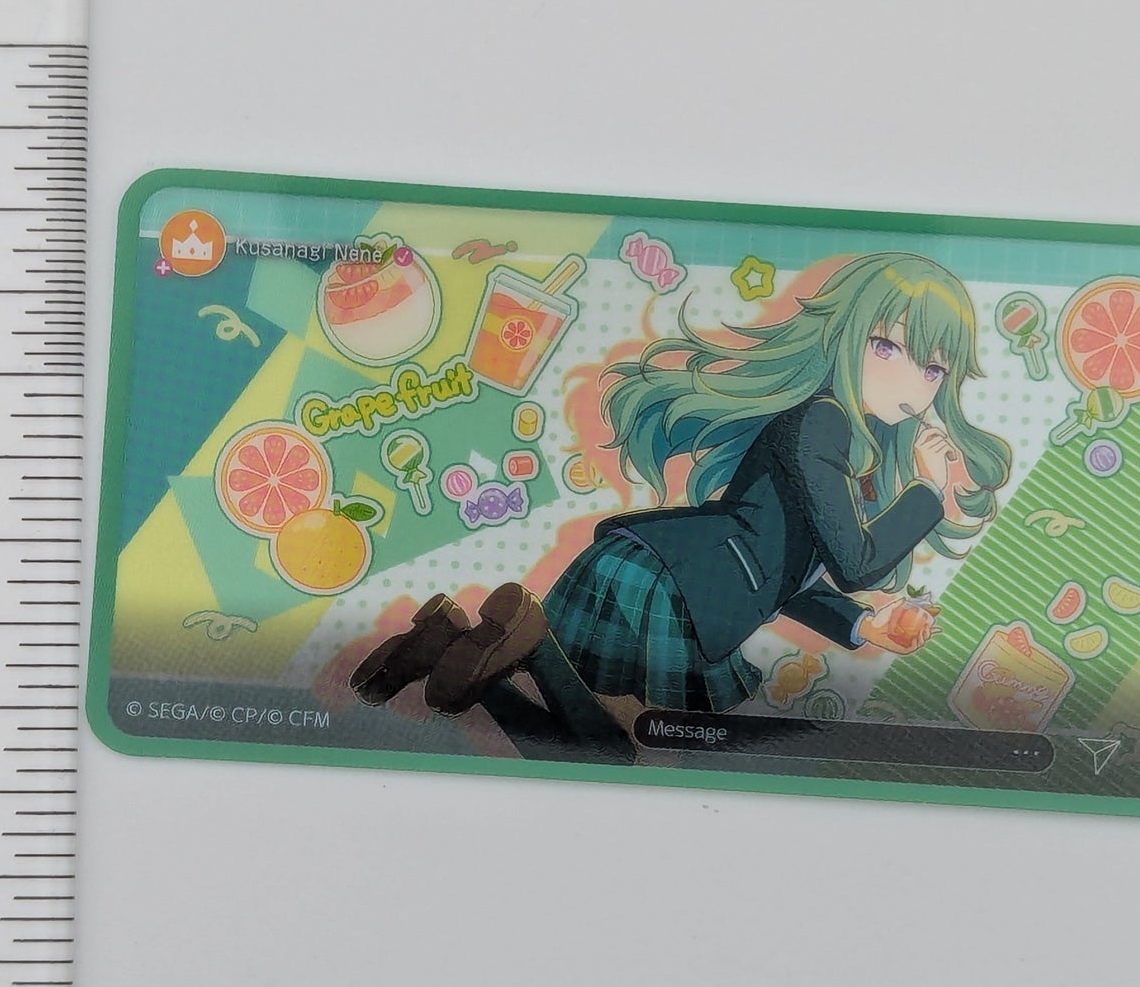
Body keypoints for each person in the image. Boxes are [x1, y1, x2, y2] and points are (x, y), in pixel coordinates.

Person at [352, 252, 1011, 760]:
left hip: (675, 581)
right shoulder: (823, 422)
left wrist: (864, 627)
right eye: (886, 346)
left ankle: (451, 642)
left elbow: (785, 567)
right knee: (614, 753)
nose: (910, 379)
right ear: (845, 337)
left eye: (933, 368)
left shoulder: (841, 437)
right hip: (670, 591)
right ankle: (524, 641)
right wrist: (928, 492)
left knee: (602, 747)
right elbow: (857, 564)